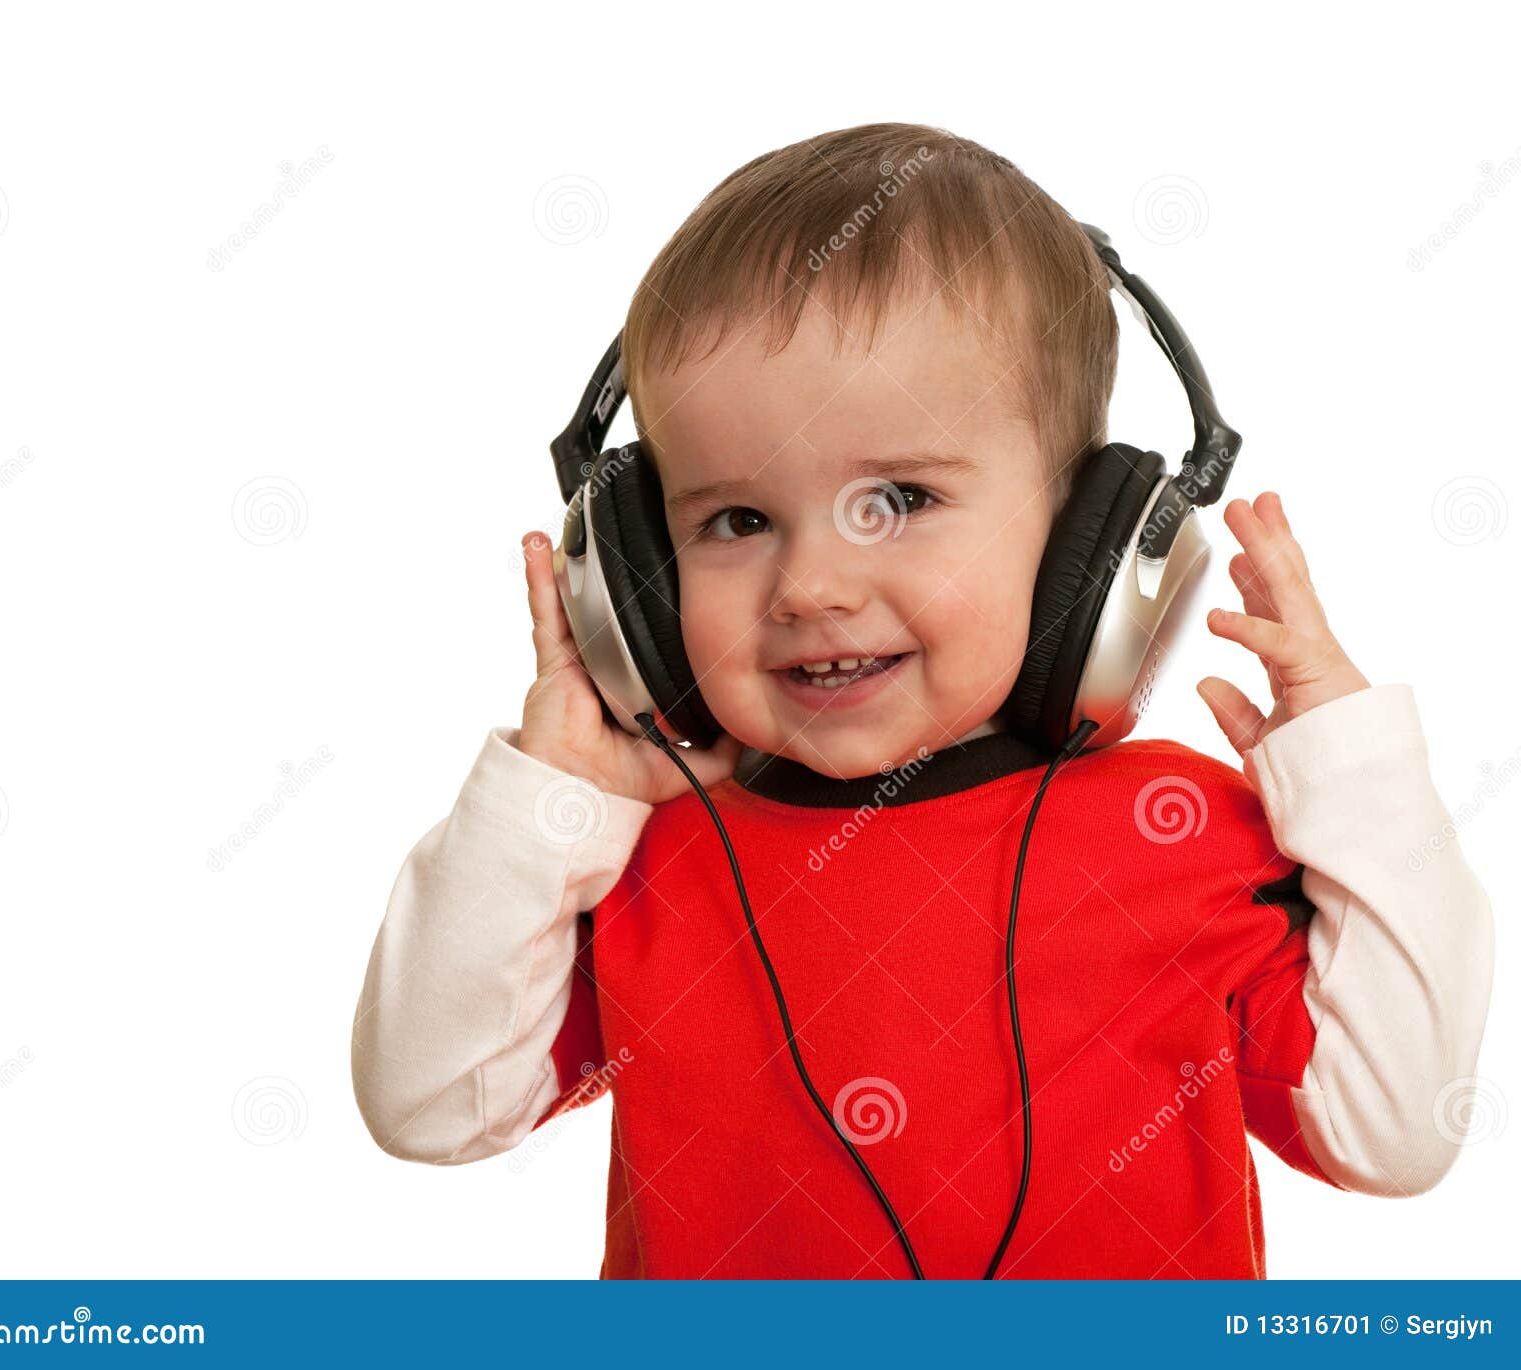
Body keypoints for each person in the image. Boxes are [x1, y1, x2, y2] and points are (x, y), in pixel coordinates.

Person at [350, 123, 1493, 1279]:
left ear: (1081, 547)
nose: (811, 586)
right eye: (735, 521)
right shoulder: (644, 854)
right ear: (635, 577)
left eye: (897, 497)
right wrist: (550, 797)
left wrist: (1356, 776)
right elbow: (431, 1101)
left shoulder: (1187, 827)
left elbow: (1394, 1134)